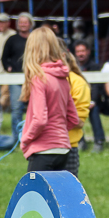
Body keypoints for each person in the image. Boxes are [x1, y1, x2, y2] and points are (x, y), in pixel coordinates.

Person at [19, 28, 81, 172]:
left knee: (34, 194)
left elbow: (40, 119)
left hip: (43, 150)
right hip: (63, 149)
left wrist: (26, 138)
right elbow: (73, 119)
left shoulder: (39, 78)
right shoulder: (62, 78)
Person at [1, 13, 33, 142]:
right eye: (20, 22)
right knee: (16, 109)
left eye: (25, 22)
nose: (23, 24)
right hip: (16, 79)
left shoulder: (35, 38)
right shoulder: (12, 39)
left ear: (30, 24)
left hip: (33, 78)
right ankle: (17, 139)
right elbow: (4, 57)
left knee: (35, 109)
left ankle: (32, 137)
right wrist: (8, 67)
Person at [62, 51, 91, 176]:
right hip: (43, 147)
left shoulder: (77, 82)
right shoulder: (43, 79)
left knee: (67, 193)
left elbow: (78, 121)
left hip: (68, 145)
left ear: (63, 56)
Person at [74, 40, 106, 153]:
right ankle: (79, 141)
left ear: (88, 52)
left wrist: (92, 101)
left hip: (92, 100)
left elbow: (97, 86)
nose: (80, 54)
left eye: (82, 51)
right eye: (78, 51)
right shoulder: (72, 67)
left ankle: (99, 141)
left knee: (94, 110)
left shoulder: (95, 66)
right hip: (76, 101)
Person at [0, 13, 15, 109]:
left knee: (5, 93)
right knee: (3, 92)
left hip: (8, 70)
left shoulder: (13, 35)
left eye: (2, 22)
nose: (0, 25)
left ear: (8, 23)